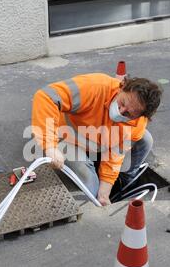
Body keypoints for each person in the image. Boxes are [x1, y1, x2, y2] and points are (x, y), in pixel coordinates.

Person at [31, 73, 162, 206]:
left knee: (146, 139)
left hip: (98, 142)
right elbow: (46, 96)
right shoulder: (95, 87)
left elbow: (114, 157)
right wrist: (49, 146)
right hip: (67, 136)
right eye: (122, 103)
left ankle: (127, 181)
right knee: (91, 189)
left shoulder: (137, 124)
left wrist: (104, 193)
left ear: (140, 116)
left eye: (128, 114)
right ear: (122, 87)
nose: (121, 111)